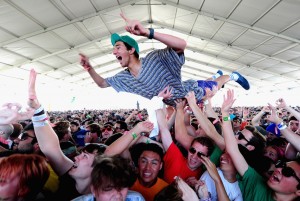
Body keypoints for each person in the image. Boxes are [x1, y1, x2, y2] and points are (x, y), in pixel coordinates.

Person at [26, 68, 153, 200]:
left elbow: (109, 152)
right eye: (82, 155)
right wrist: (37, 109)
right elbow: (50, 148)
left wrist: (137, 130)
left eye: (85, 157)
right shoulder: (68, 178)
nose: (76, 158)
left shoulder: (119, 194)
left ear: (97, 170)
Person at [80, 13, 250, 106]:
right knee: (203, 89)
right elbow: (102, 84)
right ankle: (214, 76)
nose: (113, 52)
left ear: (131, 50)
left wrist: (148, 33)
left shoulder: (154, 59)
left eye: (117, 47)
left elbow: (181, 45)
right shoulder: (124, 77)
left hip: (190, 93)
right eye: (113, 49)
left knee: (213, 89)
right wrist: (89, 69)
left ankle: (231, 76)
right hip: (175, 101)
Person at [221, 89, 300, 201]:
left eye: (288, 172)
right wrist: (225, 113)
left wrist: (279, 121)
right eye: (281, 166)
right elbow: (233, 149)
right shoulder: (256, 183)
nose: (278, 169)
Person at [72, 155, 145, 201]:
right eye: (109, 189)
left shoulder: (136, 199)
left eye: (122, 188)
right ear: (94, 190)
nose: (118, 196)